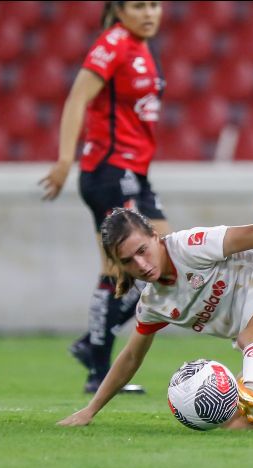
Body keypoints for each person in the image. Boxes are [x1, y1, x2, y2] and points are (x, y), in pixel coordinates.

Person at [58, 208, 253, 431]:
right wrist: (91, 409)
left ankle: (252, 391)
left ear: (156, 236)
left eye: (143, 250)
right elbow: (130, 357)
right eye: (129, 261)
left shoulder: (190, 246)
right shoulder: (154, 304)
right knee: (237, 424)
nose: (141, 264)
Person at [39, 1, 168, 394]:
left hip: (134, 172)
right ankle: (98, 368)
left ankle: (91, 345)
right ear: (118, 10)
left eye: (154, 4)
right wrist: (65, 160)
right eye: (139, 6)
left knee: (165, 263)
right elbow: (77, 99)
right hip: (110, 171)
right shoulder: (113, 44)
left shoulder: (141, 46)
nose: (149, 13)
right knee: (122, 270)